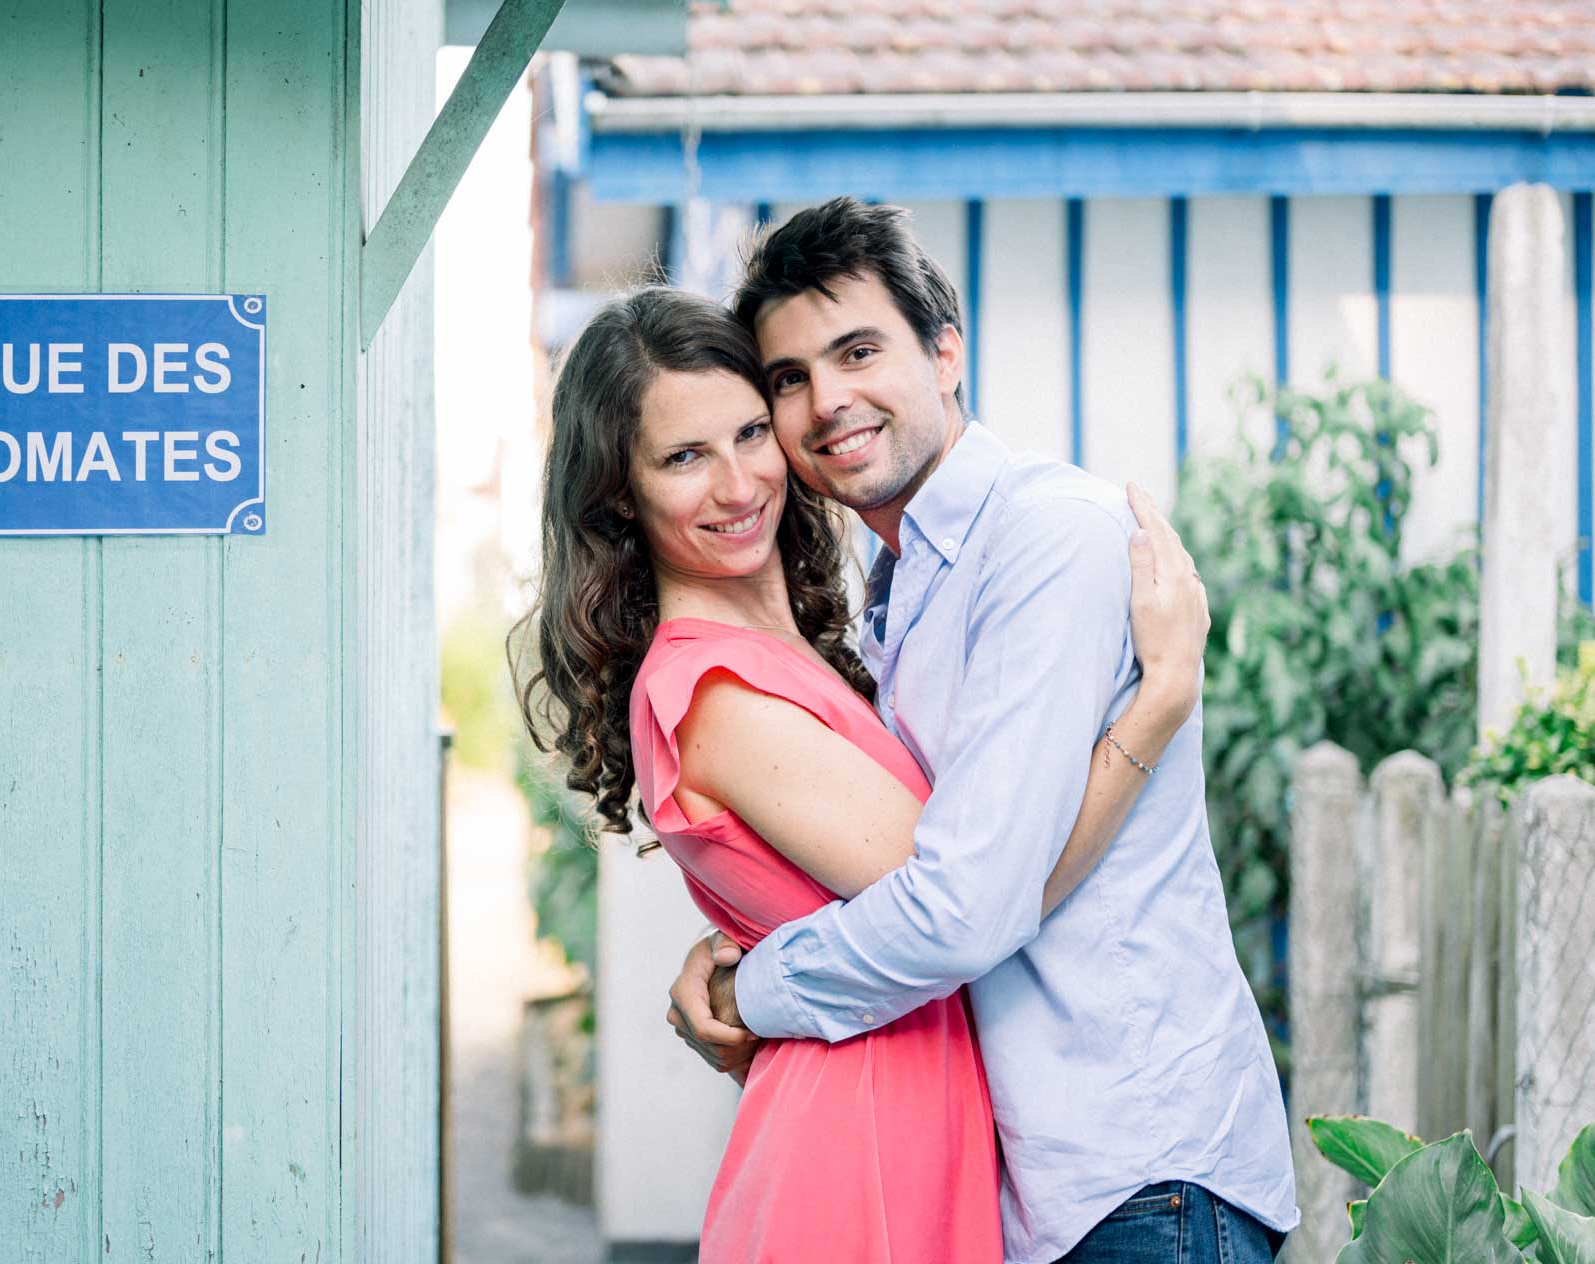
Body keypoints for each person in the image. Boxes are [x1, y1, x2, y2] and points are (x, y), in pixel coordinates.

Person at [514, 283, 1214, 1261]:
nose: (736, 484)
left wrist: (745, 969)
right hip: (859, 1134)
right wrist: (1158, 704)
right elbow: (972, 900)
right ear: (617, 496)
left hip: (910, 1103)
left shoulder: (804, 646)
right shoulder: (714, 686)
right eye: (682, 457)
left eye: (751, 433)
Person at [664, 199, 1299, 1262]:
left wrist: (752, 990)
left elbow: (967, 903)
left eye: (858, 350)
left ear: (946, 350)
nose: (827, 401)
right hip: (1039, 1184)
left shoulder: (1043, 542)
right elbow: (918, 868)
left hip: (1137, 1171)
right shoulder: (898, 585)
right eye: (788, 377)